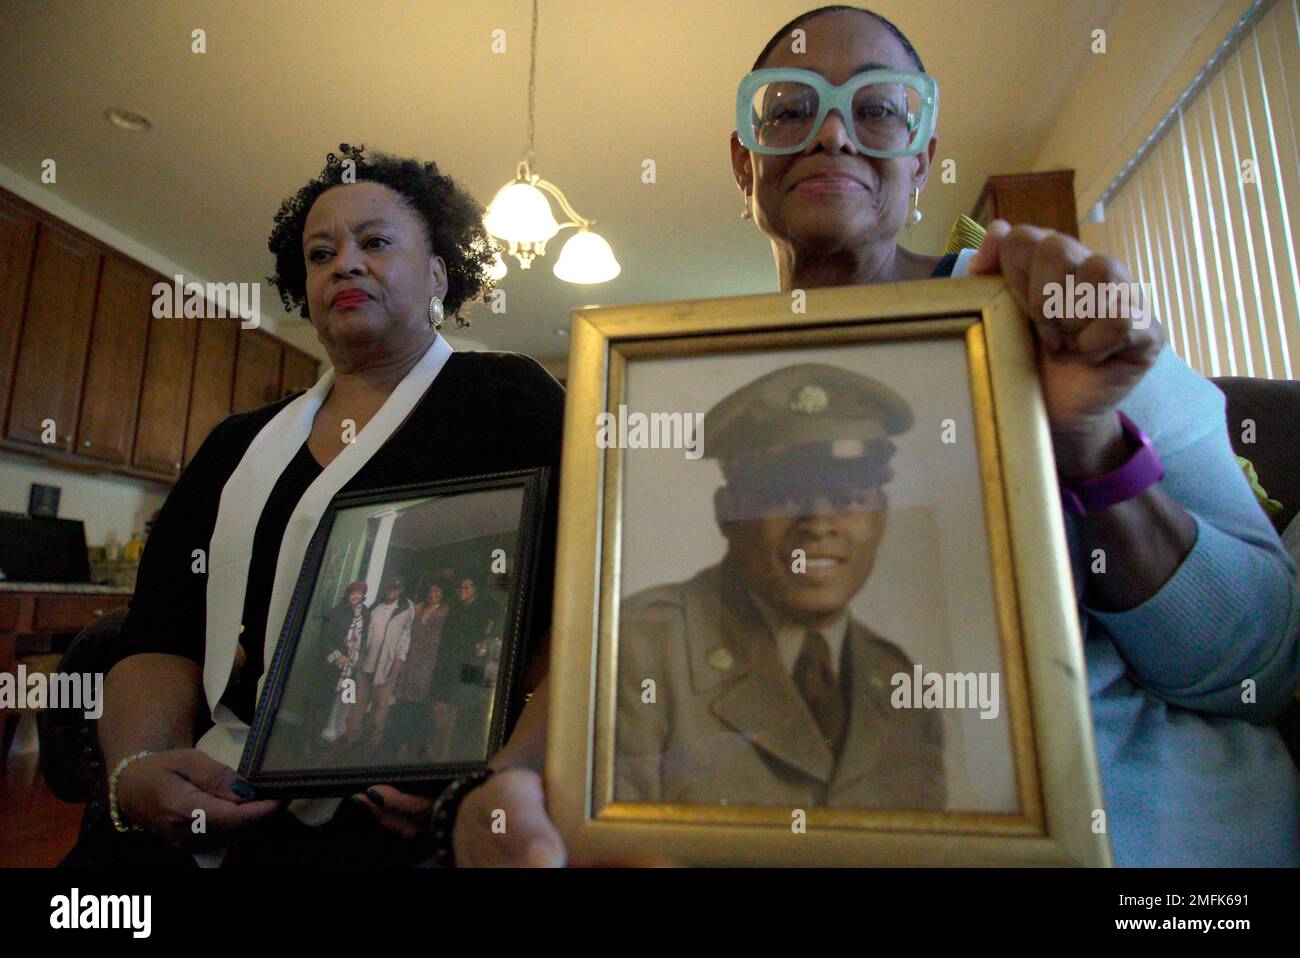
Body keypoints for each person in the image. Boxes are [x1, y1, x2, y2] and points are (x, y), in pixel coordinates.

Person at [450, 7, 1300, 867]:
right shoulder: (666, 382)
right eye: (788, 109)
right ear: (744, 163)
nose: (831, 135)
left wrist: (1089, 445)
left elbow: (1255, 666)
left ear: (922, 159)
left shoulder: (1057, 321)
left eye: (878, 108)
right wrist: (515, 775)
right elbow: (618, 632)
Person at [66, 143, 564, 867]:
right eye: (321, 252)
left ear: (437, 273)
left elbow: (581, 619)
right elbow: (159, 635)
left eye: (375, 242)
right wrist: (137, 769)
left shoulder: (510, 401)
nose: (345, 264)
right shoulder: (235, 446)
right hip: (218, 803)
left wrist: (505, 775)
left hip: (424, 816)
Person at [617, 363, 944, 808]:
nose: (819, 526)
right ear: (727, 512)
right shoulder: (640, 650)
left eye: (848, 498)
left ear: (881, 513)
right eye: (784, 496)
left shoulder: (899, 681)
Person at [428, 575, 503, 763]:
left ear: (475, 589)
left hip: (474, 662)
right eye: (461, 587)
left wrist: (487, 639)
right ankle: (442, 749)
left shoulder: (486, 604)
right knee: (441, 704)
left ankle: (458, 755)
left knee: (468, 708)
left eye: (467, 587)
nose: (463, 591)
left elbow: (503, 617)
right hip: (450, 661)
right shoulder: (455, 605)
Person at [381, 580, 451, 762]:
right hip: (411, 656)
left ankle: (415, 739)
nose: (433, 593)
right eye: (431, 590)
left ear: (442, 593)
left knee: (420, 698)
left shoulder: (446, 611)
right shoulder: (417, 608)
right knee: (403, 698)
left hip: (430, 658)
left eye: (437, 590)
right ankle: (398, 736)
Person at [349, 575, 414, 749]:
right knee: (358, 703)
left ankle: (373, 740)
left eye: (395, 588)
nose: (391, 591)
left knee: (380, 705)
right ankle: (352, 737)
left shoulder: (406, 608)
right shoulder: (375, 606)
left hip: (387, 665)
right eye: (389, 588)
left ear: (401, 590)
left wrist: (400, 658)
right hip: (366, 663)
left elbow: (406, 635)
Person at [318, 580, 370, 747]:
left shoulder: (366, 614)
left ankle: (339, 732)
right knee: (326, 699)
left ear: (363, 596)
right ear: (348, 594)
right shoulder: (336, 611)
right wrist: (336, 656)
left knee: (346, 699)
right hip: (336, 665)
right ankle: (321, 735)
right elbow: (325, 636)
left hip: (353, 666)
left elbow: (365, 637)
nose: (356, 596)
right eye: (353, 593)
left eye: (359, 594)